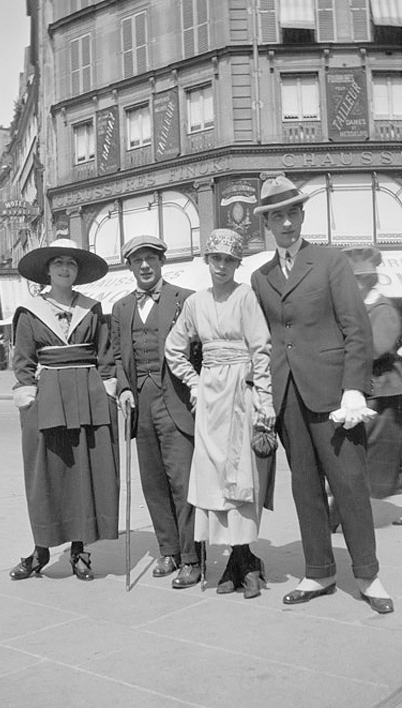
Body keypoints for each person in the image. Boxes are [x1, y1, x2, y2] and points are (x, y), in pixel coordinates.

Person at [250, 174, 394, 614]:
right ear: (268, 225)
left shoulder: (330, 262)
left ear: (302, 215)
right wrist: (262, 395)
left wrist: (354, 388)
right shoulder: (261, 276)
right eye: (278, 216)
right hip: (288, 394)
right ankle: (319, 571)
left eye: (293, 213)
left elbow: (357, 329)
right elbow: (269, 338)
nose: (287, 223)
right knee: (305, 487)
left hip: (334, 396)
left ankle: (368, 575)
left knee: (349, 484)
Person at [165, 229, 276, 598]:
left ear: (237, 264)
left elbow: (261, 348)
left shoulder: (246, 296)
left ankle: (242, 561)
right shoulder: (196, 303)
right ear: (207, 260)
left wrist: (264, 399)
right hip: (210, 396)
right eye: (216, 259)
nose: (222, 266)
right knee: (213, 477)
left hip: (241, 393)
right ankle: (238, 561)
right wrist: (194, 384)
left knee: (240, 476)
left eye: (229, 260)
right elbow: (174, 348)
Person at [10, 238, 120, 582]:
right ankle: (41, 550)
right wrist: (28, 399)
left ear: (77, 271)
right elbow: (23, 361)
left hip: (89, 395)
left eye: (70, 264)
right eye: (57, 262)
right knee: (47, 475)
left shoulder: (93, 308)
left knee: (84, 474)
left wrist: (112, 390)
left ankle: (79, 550)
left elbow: (106, 356)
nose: (64, 268)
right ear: (47, 270)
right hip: (47, 397)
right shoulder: (29, 312)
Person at [111, 235, 201, 589]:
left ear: (162, 262)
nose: (145, 266)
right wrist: (124, 388)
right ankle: (169, 550)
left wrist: (198, 388)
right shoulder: (120, 308)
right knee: (153, 483)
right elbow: (117, 357)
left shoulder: (185, 299)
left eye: (151, 259)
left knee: (182, 481)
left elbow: (200, 349)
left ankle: (192, 557)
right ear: (130, 266)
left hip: (176, 401)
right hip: (140, 403)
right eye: (138, 261)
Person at [344, 247, 402, 523]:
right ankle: (343, 511)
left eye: (357, 279)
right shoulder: (358, 306)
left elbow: (380, 346)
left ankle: (344, 513)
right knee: (357, 452)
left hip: (385, 390)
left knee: (384, 453)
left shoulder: (382, 308)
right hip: (364, 387)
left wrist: (347, 349)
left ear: (368, 280)